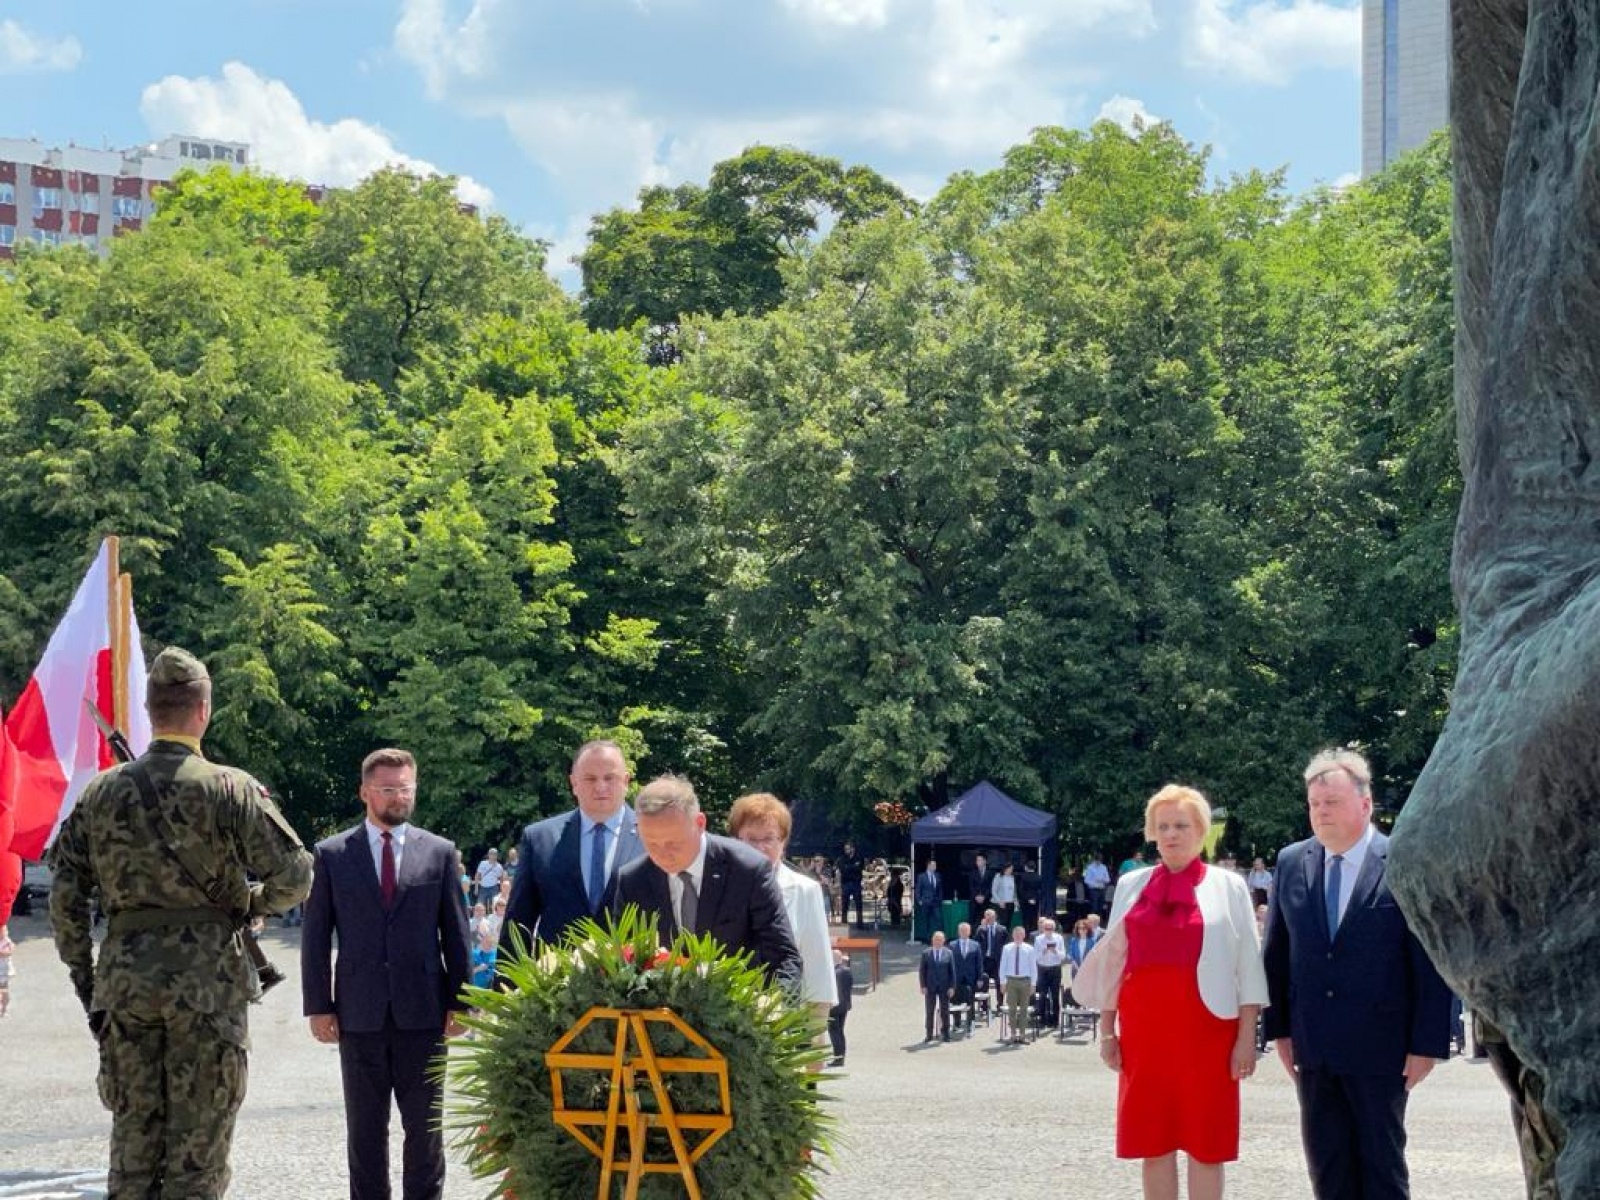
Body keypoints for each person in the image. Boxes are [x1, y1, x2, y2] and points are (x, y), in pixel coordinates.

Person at [48, 646, 313, 1199]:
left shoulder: (100, 792)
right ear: (204, 710)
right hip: (209, 989)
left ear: (150, 711)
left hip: (126, 990)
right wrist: (252, 904)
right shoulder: (230, 788)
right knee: (199, 1158)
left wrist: (88, 984)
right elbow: (297, 875)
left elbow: (65, 898)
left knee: (133, 1152)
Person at [1262, 748, 1452, 1200]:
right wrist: (1281, 1032)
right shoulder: (1291, 862)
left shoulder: (1404, 861)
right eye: (1314, 804)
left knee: (1381, 1168)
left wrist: (1427, 1044)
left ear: (1365, 805)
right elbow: (1277, 953)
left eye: (1332, 802)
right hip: (1314, 1047)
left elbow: (1429, 958)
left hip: (1382, 1049)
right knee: (1328, 1171)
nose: (1321, 812)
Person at [302, 747, 472, 1200]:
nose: (399, 796)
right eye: (388, 789)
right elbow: (316, 937)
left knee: (426, 1131)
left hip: (425, 1014)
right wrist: (318, 1005)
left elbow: (457, 935)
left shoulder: (439, 853)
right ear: (364, 792)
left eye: (406, 788)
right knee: (365, 1132)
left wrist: (463, 1001)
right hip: (359, 1015)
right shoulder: (333, 854)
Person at [1091, 784, 1268, 1200]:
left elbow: (1248, 964)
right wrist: (1107, 1030)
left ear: (1201, 830)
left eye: (1182, 825)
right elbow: (1114, 962)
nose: (1172, 834)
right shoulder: (1131, 885)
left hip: (1209, 1032)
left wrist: (1246, 1037)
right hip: (1145, 1033)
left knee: (1207, 1143)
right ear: (1152, 832)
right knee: (1153, 1142)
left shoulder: (1229, 885)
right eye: (1163, 826)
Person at [613, 775, 802, 984]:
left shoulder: (747, 870)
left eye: (674, 843)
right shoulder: (633, 880)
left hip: (740, 1009)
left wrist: (775, 1012)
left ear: (700, 823)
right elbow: (624, 962)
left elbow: (784, 958)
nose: (663, 853)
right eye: (651, 843)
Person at [500, 740, 646, 953]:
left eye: (609, 777)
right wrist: (506, 985)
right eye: (590, 778)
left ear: (625, 781)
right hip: (557, 981)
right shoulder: (541, 838)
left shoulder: (653, 837)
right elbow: (518, 923)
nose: (600, 787)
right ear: (574, 783)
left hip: (635, 978)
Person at [727, 792, 838, 1014]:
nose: (759, 848)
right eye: (750, 838)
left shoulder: (806, 890)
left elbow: (818, 970)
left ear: (784, 841)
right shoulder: (719, 887)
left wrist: (812, 1030)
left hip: (786, 1020)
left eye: (769, 838)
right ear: (735, 839)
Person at [919, 930, 956, 1042]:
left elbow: (952, 972)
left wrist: (952, 987)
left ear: (944, 941)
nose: (938, 942)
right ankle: (929, 1034)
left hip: (944, 987)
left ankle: (946, 1034)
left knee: (945, 1011)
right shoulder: (926, 953)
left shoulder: (948, 953)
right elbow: (922, 971)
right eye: (936, 939)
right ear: (932, 940)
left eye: (940, 940)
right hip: (930, 987)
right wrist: (923, 986)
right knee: (929, 1011)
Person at [950, 921, 984, 1035]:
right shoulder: (952, 945)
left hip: (971, 978)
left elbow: (979, 963)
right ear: (959, 932)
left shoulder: (975, 945)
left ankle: (970, 1023)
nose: (964, 933)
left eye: (966, 931)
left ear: (969, 932)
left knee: (970, 1001)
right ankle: (957, 1022)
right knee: (955, 1000)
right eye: (962, 931)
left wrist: (980, 978)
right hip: (957, 978)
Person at [1034, 917, 1067, 1029]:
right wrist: (1043, 951)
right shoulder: (1038, 939)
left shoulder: (1059, 938)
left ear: (1054, 928)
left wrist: (1055, 951)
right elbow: (1036, 957)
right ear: (1043, 928)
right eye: (1047, 928)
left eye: (1051, 928)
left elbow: (1063, 956)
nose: (1049, 930)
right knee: (1042, 995)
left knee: (1055, 995)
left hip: (1055, 969)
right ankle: (1042, 1019)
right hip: (1042, 969)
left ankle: (1055, 1020)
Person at [975, 908, 1007, 1003]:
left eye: (991, 916)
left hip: (997, 960)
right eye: (987, 916)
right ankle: (984, 1005)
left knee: (998, 981)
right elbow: (976, 943)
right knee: (984, 981)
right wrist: (981, 928)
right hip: (985, 960)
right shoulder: (981, 929)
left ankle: (999, 1004)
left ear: (995, 917)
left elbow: (1006, 944)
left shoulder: (1002, 929)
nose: (989, 918)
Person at [827, 950, 854, 1066]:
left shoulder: (832, 973)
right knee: (840, 1032)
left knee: (834, 1033)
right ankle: (841, 1056)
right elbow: (850, 986)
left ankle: (838, 1058)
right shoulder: (847, 971)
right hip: (845, 1006)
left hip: (834, 1006)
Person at [913, 859, 942, 943]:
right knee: (926, 921)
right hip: (925, 902)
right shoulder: (921, 876)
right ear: (928, 866)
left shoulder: (937, 875)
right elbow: (918, 889)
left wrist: (940, 899)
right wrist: (919, 900)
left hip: (935, 902)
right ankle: (928, 939)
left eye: (935, 865)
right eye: (933, 865)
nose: (935, 867)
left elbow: (940, 889)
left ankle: (939, 938)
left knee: (938, 920)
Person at [837, 841, 865, 926]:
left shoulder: (859, 857)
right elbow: (843, 869)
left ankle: (860, 924)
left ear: (853, 849)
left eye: (848, 849)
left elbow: (859, 868)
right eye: (845, 849)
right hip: (846, 883)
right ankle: (844, 922)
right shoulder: (842, 858)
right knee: (845, 904)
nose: (846, 850)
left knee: (858, 904)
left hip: (856, 883)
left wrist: (848, 867)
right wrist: (853, 867)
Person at [966, 853, 994, 927]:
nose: (978, 862)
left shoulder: (990, 873)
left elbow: (991, 887)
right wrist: (976, 896)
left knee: (985, 919)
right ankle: (971, 936)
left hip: (986, 901)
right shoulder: (972, 872)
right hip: (974, 900)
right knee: (972, 920)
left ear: (985, 861)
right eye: (977, 860)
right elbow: (971, 886)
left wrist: (984, 896)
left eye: (980, 860)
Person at [992, 862, 1018, 928]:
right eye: (1010, 868)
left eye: (1012, 869)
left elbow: (1014, 891)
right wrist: (999, 901)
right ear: (1005, 868)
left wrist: (1015, 901)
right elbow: (994, 891)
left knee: (1008, 922)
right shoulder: (998, 876)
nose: (1011, 870)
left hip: (1010, 903)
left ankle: (1006, 937)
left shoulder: (1012, 877)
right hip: (1001, 903)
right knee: (1002, 923)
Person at [0, 928, 13, 1017]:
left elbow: (10, 951)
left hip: (3, 970)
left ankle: (4, 1008)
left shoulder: (6, 941)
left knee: (4, 990)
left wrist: (3, 952)